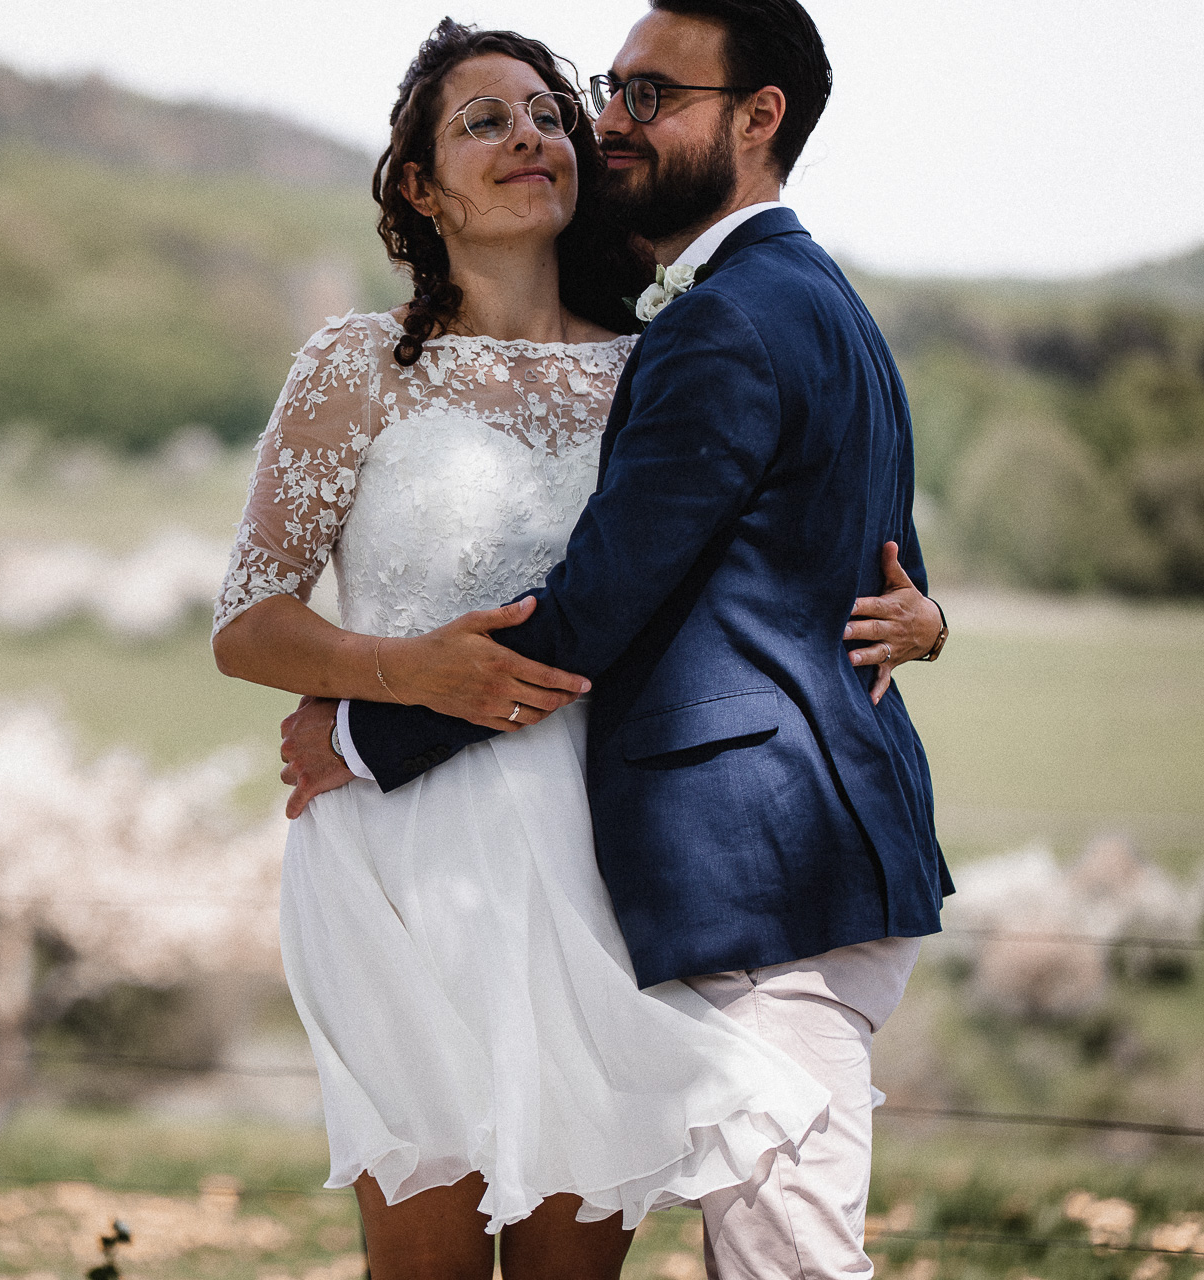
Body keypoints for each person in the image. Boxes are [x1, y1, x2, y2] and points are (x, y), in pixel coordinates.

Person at [214, 15, 940, 1280]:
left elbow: (804, 529)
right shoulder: (354, 365)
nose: (534, 136)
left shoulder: (658, 361)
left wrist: (923, 612)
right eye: (483, 120)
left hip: (598, 847)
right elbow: (248, 623)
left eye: (550, 112)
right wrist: (390, 678)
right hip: (402, 853)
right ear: (419, 184)